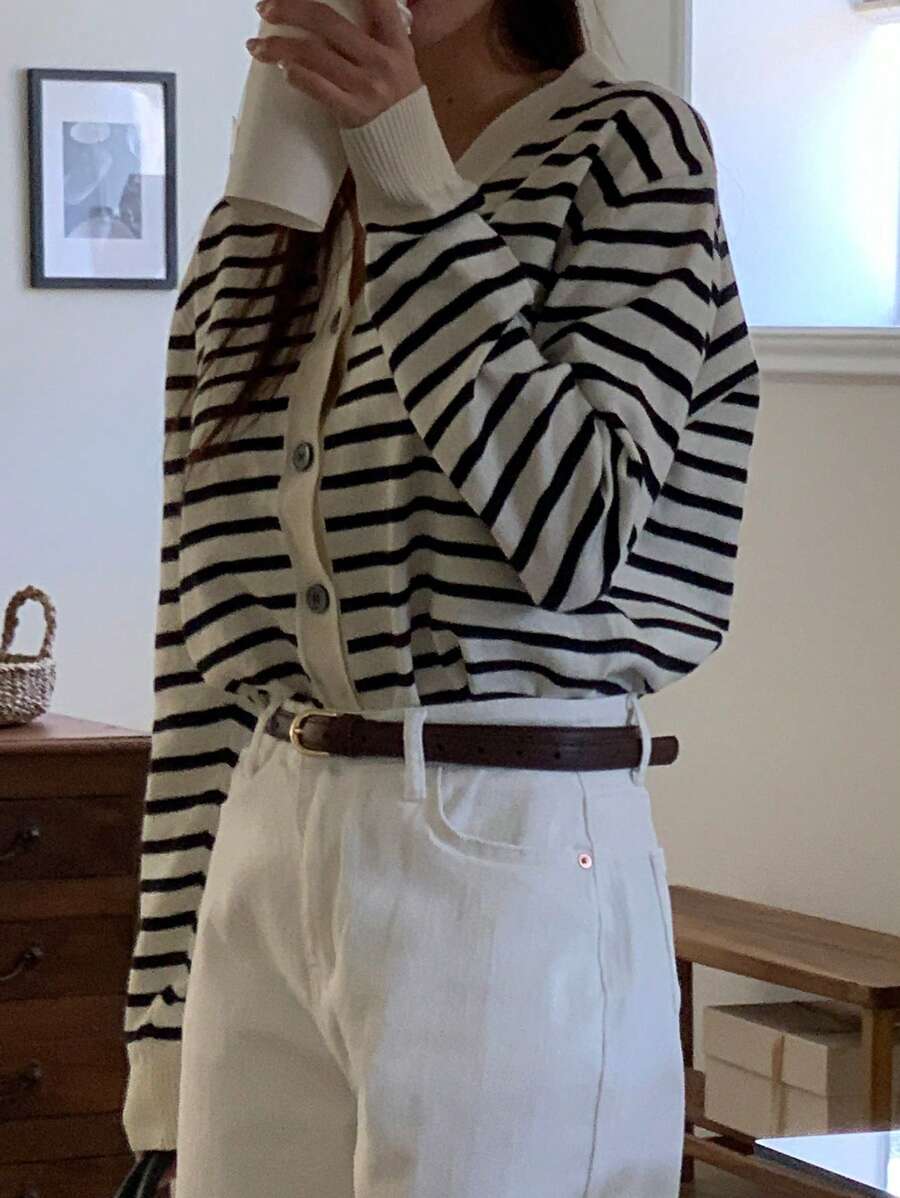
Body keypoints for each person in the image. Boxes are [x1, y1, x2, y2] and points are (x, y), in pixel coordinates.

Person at [121, 0, 762, 1194]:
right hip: (266, 837)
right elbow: (204, 647)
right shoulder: (259, 230)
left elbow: (577, 532)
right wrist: (163, 1019)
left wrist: (405, 170)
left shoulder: (630, 152)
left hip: (508, 839)